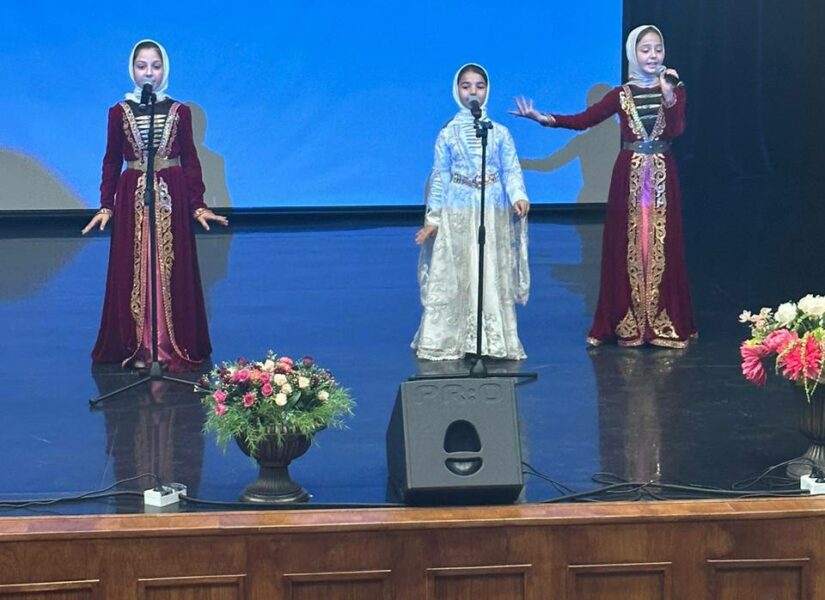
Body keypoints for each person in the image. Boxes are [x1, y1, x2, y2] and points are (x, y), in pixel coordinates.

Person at [512, 25, 696, 348]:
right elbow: (585, 119)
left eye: (657, 49)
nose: (653, 56)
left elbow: (677, 129)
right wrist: (544, 118)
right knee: (630, 243)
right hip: (630, 174)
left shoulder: (675, 89)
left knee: (661, 243)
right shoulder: (621, 95)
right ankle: (631, 321)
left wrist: (669, 95)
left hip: (662, 174)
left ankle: (661, 321)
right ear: (633, 54)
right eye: (645, 50)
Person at [83, 39, 228, 372]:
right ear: (132, 70)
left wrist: (198, 204)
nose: (149, 73)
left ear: (165, 69)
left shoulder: (179, 111)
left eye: (156, 66)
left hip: (172, 193)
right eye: (142, 66)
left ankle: (169, 344)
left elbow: (189, 159)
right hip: (131, 193)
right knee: (134, 267)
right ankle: (138, 346)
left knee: (171, 267)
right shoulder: (118, 111)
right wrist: (105, 205)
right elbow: (111, 160)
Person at [412, 63, 530, 361]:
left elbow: (510, 169)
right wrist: (433, 220)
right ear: (457, 90)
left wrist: (518, 195)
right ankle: (452, 337)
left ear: (487, 90)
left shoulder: (499, 133)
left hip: (490, 209)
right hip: (458, 210)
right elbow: (440, 177)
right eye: (466, 86)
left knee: (488, 268)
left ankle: (491, 340)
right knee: (459, 271)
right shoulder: (448, 133)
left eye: (479, 86)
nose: (473, 92)